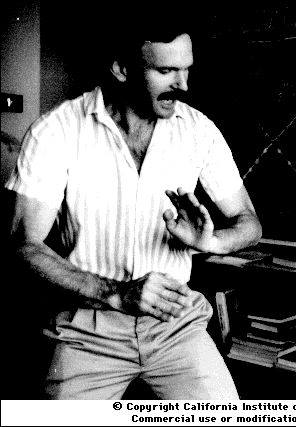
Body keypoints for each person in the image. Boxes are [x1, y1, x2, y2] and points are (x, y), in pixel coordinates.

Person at [5, 17, 262, 399]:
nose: (183, 85)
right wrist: (115, 292)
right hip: (89, 328)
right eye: (166, 71)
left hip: (175, 323)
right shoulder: (56, 131)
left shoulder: (198, 130)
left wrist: (211, 242)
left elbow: (250, 223)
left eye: (186, 70)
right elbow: (23, 246)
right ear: (122, 69)